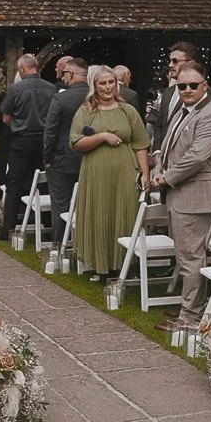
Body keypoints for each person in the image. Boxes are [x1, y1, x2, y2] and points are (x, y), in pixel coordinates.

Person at [151, 61, 211, 328]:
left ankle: (191, 318)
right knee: (185, 257)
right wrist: (158, 168)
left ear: (205, 85)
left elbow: (197, 157)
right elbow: (168, 147)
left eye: (194, 85)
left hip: (195, 195)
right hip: (179, 193)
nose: (188, 90)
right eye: (182, 86)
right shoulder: (183, 110)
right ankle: (190, 306)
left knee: (191, 258)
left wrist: (166, 177)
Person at [70, 65, 151, 282]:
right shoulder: (86, 111)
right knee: (100, 214)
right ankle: (100, 266)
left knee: (125, 213)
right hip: (95, 172)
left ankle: (125, 264)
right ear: (94, 86)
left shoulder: (128, 110)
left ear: (116, 84)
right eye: (102, 83)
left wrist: (145, 173)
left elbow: (141, 144)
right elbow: (76, 141)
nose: (107, 87)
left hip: (125, 171)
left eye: (111, 82)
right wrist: (102, 136)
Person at [0, 54, 57, 241]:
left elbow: (6, 118)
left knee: (14, 184)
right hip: (45, 142)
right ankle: (48, 226)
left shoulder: (16, 89)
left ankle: (8, 229)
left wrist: (18, 124)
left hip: (21, 141)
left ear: (23, 68)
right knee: (45, 183)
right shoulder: (51, 88)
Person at [42, 58, 89, 249]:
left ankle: (59, 244)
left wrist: (47, 158)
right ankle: (83, 242)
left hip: (62, 158)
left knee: (61, 203)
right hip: (88, 156)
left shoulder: (60, 99)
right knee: (85, 202)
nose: (62, 78)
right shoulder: (95, 97)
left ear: (71, 75)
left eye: (64, 74)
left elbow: (50, 131)